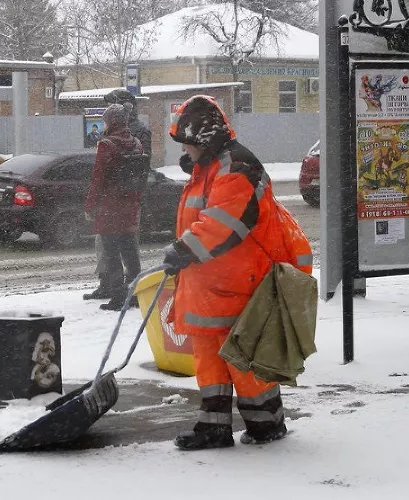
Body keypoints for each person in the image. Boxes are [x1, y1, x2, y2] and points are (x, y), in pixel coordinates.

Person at [162, 95, 292, 450]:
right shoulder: (211, 166)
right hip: (209, 280)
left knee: (242, 355)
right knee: (209, 355)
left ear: (206, 138)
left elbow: (224, 222)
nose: (186, 150)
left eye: (189, 143)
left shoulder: (236, 167)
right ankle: (213, 426)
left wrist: (183, 250)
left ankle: (266, 423)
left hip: (237, 280)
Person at [83, 89, 152, 301]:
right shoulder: (137, 142)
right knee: (129, 251)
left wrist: (90, 206)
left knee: (110, 250)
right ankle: (133, 293)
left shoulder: (107, 145)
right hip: (129, 204)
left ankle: (116, 294)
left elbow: (98, 179)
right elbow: (142, 173)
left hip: (110, 206)